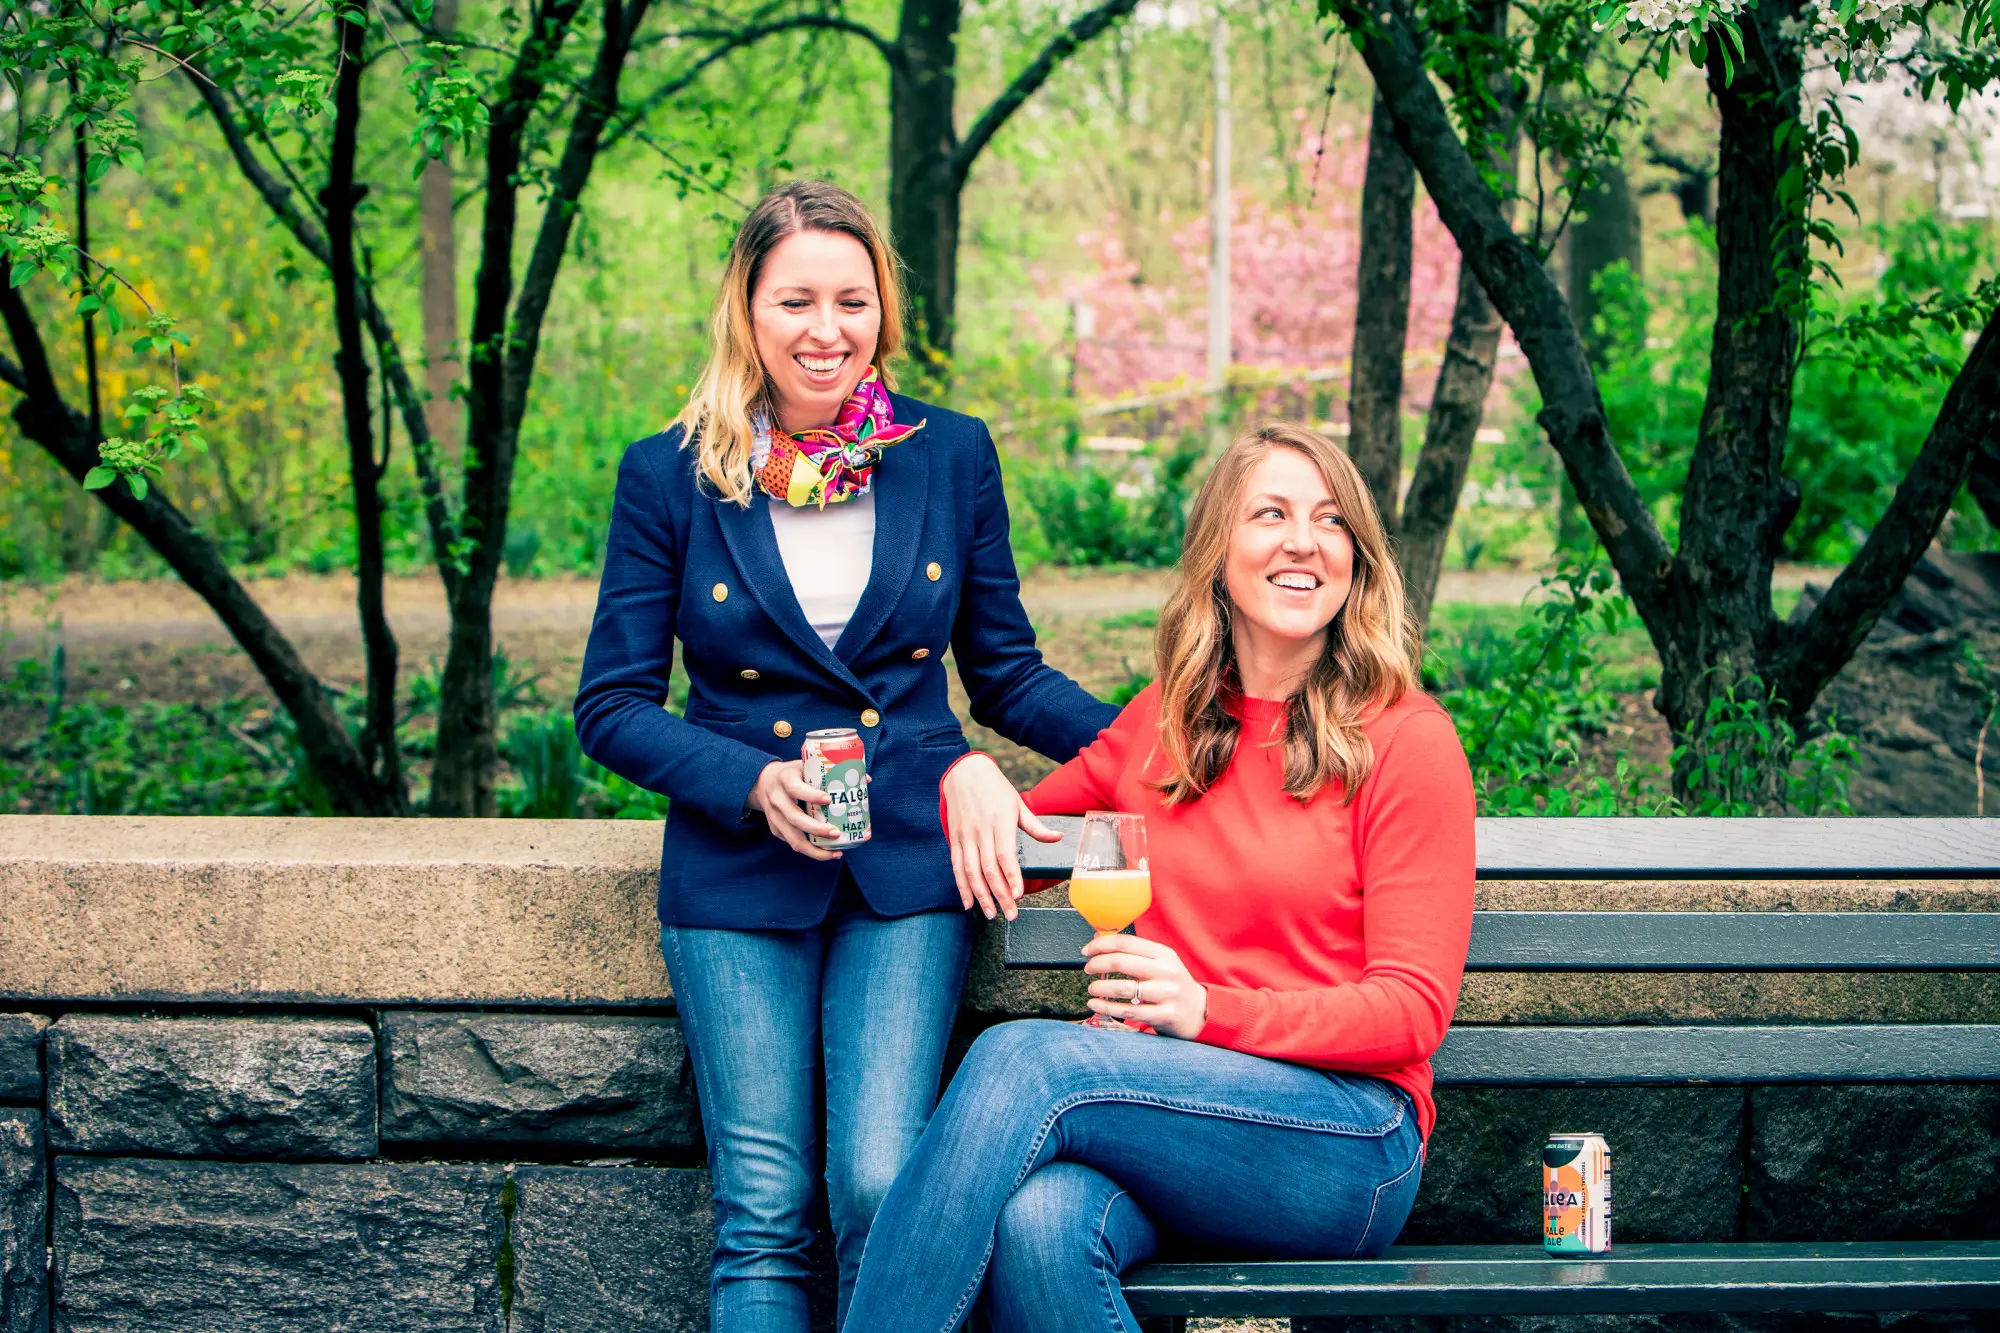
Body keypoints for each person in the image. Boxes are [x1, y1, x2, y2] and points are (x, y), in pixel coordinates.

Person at [573, 179, 1115, 1333]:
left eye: (851, 301)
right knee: (763, 1209)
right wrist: (749, 779)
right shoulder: (668, 472)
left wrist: (1166, 745)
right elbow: (611, 705)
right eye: (796, 301)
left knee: (882, 1185)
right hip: (734, 876)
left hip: (907, 874)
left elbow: (1004, 674)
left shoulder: (948, 456)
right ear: (746, 310)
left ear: (883, 310)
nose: (826, 330)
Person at [844, 423, 1477, 1333]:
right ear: (1221, 551)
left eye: (1331, 521)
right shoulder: (1163, 727)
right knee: (1041, 1220)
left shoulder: (1408, 741)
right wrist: (960, 773)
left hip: (1347, 1140)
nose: (1304, 540)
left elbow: (1412, 1010)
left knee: (1027, 1059)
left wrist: (1205, 1008)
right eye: (1271, 513)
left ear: (1358, 561)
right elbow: (1010, 838)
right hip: (1175, 1116)